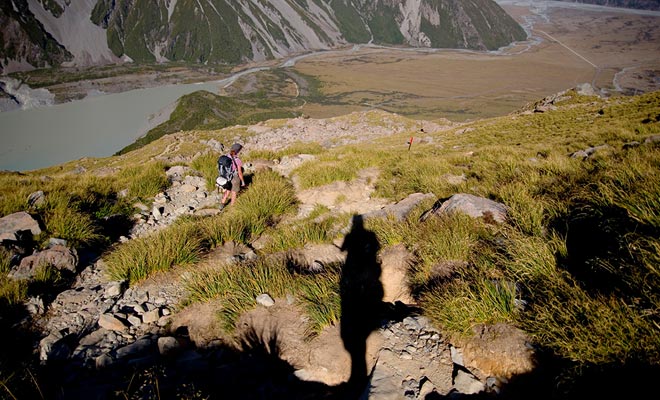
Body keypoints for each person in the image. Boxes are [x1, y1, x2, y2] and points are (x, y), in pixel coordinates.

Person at [219, 143, 245, 208]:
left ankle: (222, 204)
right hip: (235, 178)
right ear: (238, 151)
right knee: (234, 192)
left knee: (228, 190)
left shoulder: (226, 156)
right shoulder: (237, 160)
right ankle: (232, 207)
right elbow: (240, 172)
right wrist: (242, 181)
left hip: (226, 177)